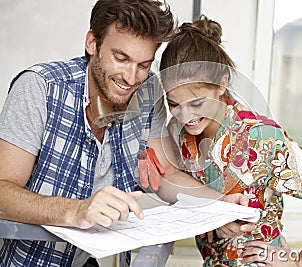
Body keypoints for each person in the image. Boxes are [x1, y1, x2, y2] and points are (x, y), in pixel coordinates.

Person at [0, 2, 252, 266]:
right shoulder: (40, 88)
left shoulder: (148, 88)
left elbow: (167, 175)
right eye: (121, 58)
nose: (131, 78)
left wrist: (220, 205)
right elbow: (3, 192)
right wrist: (76, 210)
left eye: (143, 64)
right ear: (92, 43)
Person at [154, 15, 302, 266]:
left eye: (197, 103)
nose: (186, 116)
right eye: (174, 103)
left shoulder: (259, 138)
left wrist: (299, 263)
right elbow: (177, 182)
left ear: (222, 83)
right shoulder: (181, 130)